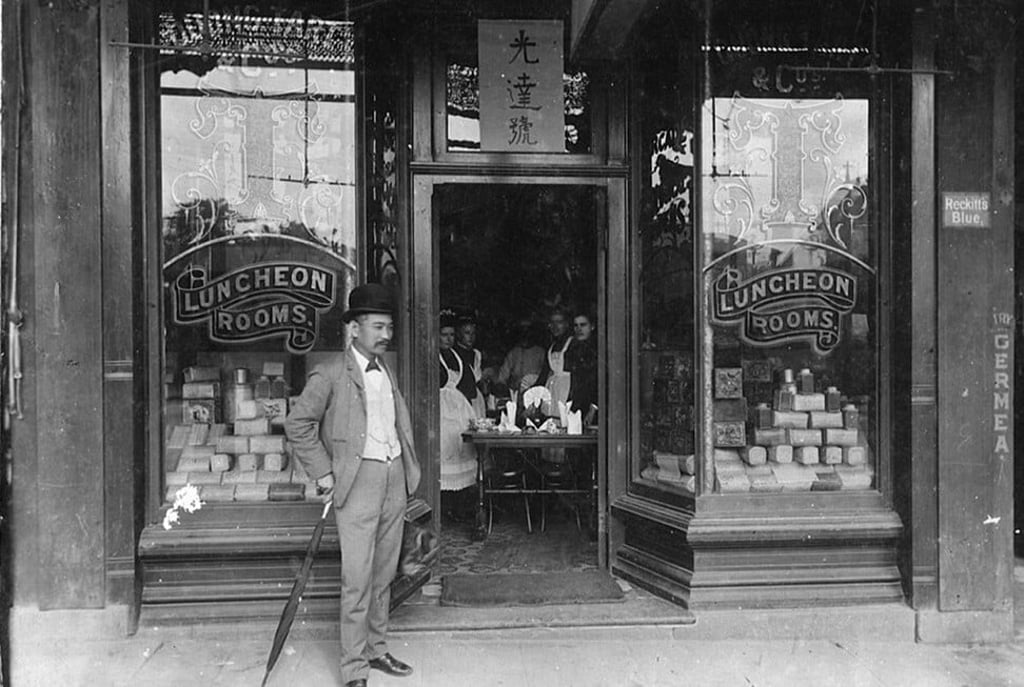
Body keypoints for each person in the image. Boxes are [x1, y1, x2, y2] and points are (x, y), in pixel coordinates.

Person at [285, 283, 421, 687]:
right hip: (357, 484)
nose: (387, 335)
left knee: (383, 573)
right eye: (379, 327)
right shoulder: (329, 373)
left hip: (394, 477)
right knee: (357, 578)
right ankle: (353, 668)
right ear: (354, 329)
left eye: (389, 327)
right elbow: (298, 424)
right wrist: (324, 473)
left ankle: (377, 650)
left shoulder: (386, 369)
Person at [438, 309, 478, 519]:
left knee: (462, 451)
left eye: (452, 335)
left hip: (458, 407)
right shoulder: (433, 357)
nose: (449, 339)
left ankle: (459, 505)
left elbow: (468, 384)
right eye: (444, 335)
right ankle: (445, 506)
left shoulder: (456, 356)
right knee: (446, 454)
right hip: (442, 410)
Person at [535, 307, 573, 417]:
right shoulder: (551, 348)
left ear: (566, 324)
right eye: (552, 323)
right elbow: (543, 375)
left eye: (559, 322)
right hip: (551, 391)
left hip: (566, 392)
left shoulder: (573, 345)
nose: (555, 326)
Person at [496, 319, 546, 396]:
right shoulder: (513, 353)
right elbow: (502, 377)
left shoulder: (540, 353)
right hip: (515, 394)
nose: (525, 333)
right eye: (522, 330)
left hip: (534, 395)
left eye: (528, 330)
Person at [453, 310, 487, 418]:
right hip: (460, 398)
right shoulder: (454, 353)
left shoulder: (476, 354)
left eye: (473, 333)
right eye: (467, 333)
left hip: (476, 398)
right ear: (459, 334)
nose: (471, 337)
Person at [566, 310, 598, 420]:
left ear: (592, 326)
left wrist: (594, 407)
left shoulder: (597, 350)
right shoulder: (573, 349)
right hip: (575, 406)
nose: (579, 329)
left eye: (583, 325)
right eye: (576, 326)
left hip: (594, 407)